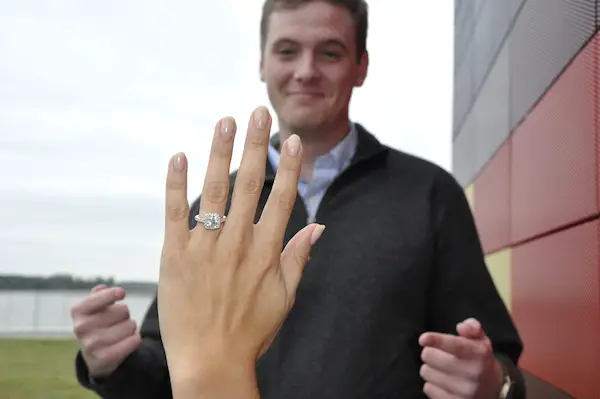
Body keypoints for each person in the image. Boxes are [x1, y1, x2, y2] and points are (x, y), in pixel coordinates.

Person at [71, 1, 526, 398]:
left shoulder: (428, 193)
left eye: (329, 52)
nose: (306, 70)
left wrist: (494, 385)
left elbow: (498, 360)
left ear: (361, 66)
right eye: (287, 50)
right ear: (262, 63)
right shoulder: (216, 208)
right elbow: (168, 370)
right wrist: (112, 361)